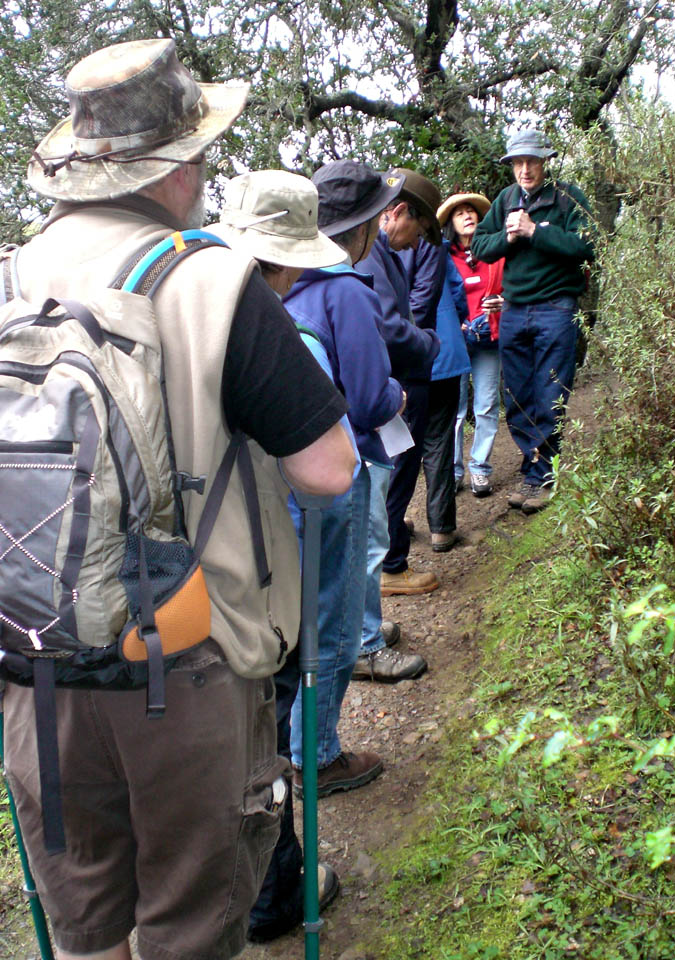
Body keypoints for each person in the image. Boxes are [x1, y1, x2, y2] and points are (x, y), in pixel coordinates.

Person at [1, 39, 355, 960]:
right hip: (189, 660)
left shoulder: (7, 276)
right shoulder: (212, 280)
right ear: (175, 170)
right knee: (192, 928)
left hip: (36, 669)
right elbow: (328, 470)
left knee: (87, 930)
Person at [212, 169, 350, 942]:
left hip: (155, 585)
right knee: (262, 740)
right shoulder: (261, 319)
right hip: (250, 581)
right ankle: (272, 894)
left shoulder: (159, 299)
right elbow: (332, 471)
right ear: (289, 258)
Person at [282, 159, 416, 787]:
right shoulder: (347, 291)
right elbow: (367, 399)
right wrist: (397, 395)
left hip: (286, 479)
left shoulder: (287, 288)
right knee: (333, 618)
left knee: (302, 610)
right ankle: (320, 754)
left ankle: (291, 745)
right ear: (360, 230)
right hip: (343, 465)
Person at [472, 129, 595, 513]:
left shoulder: (568, 197)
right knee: (519, 395)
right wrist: (508, 239)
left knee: (550, 391)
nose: (525, 170)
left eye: (532, 162)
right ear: (511, 167)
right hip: (514, 309)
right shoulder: (505, 201)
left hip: (556, 307)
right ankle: (536, 467)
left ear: (544, 161)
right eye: (518, 163)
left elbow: (587, 246)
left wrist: (534, 231)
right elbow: (479, 247)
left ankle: (542, 475)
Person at [356, 169, 442, 608]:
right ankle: (391, 566)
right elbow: (388, 326)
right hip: (394, 384)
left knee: (393, 473)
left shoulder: (379, 251)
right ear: (399, 212)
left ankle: (389, 563)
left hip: (394, 381)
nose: (419, 241)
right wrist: (429, 341)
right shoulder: (370, 253)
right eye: (421, 229)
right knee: (392, 473)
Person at [402, 234, 471, 551]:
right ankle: (442, 529)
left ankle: (395, 521)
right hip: (443, 352)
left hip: (403, 357)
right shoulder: (437, 248)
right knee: (439, 443)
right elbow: (458, 292)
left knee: (398, 444)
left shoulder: (380, 247)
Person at [437, 192, 504, 499]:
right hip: (458, 340)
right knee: (455, 409)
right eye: (459, 212)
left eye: (472, 211)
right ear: (451, 222)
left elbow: (512, 285)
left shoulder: (495, 253)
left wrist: (505, 302)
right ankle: (453, 471)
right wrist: (456, 320)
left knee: (487, 404)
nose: (467, 216)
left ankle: (480, 468)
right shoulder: (442, 255)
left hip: (490, 337)